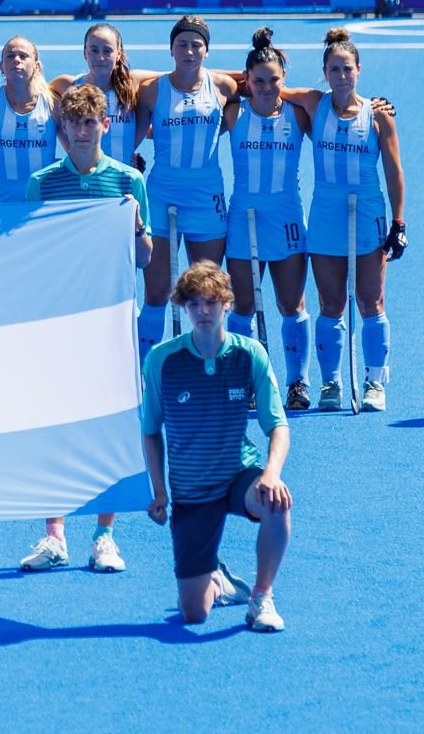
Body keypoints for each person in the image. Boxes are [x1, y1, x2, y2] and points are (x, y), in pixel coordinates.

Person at [17, 83, 151, 574]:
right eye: (73, 123)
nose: (81, 130)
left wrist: (136, 227)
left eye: (90, 122)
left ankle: (104, 535)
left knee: (111, 427)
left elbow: (145, 259)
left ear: (105, 125)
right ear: (63, 130)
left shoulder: (129, 182)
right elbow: (32, 255)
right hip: (59, 323)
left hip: (110, 322)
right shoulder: (42, 184)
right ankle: (55, 534)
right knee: (54, 426)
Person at [141, 262, 292, 632]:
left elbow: (278, 425)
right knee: (194, 614)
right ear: (184, 308)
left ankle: (261, 596)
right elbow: (150, 431)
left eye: (210, 302)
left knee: (277, 502)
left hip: (239, 474)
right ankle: (218, 580)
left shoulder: (250, 353)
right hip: (192, 491)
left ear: (227, 305)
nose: (202, 312)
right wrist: (160, 491)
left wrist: (271, 474)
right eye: (193, 304)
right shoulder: (161, 360)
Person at [283, 28, 406, 412]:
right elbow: (262, 85)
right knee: (331, 302)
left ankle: (374, 381)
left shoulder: (378, 116)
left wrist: (398, 224)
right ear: (324, 72)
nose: (341, 76)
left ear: (359, 71)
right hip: (325, 216)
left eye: (347, 69)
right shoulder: (313, 104)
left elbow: (395, 173)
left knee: (371, 300)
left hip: (368, 213)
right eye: (334, 70)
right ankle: (332, 383)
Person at [134, 16, 240, 367]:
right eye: (182, 44)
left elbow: (267, 86)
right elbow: (120, 81)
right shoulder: (151, 89)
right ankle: (144, 370)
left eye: (197, 45)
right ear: (170, 50)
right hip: (162, 193)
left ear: (207, 51)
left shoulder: (223, 87)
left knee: (207, 290)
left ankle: (209, 361)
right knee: (157, 292)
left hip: (206, 195)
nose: (189, 51)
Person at [223, 29, 314, 411]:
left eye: (274, 80)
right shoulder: (233, 112)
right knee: (243, 307)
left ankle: (297, 381)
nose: (266, 87)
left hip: (287, 218)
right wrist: (238, 84)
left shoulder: (299, 114)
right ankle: (245, 380)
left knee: (291, 304)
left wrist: (375, 106)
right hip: (243, 219)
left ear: (284, 80)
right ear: (246, 81)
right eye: (257, 80)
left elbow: (341, 106)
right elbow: (200, 82)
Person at [50, 22, 145, 167]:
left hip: (123, 180)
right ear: (84, 52)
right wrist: (70, 150)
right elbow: (36, 98)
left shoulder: (132, 85)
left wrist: (130, 149)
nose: (100, 58)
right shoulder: (67, 86)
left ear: (118, 53)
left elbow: (174, 77)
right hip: (83, 178)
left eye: (107, 51)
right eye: (94, 50)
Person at [0, 36, 59, 202]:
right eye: (10, 56)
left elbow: (77, 146)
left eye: (23, 56)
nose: (16, 60)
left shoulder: (53, 104)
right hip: (2, 201)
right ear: (2, 67)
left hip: (44, 198)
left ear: (37, 66)